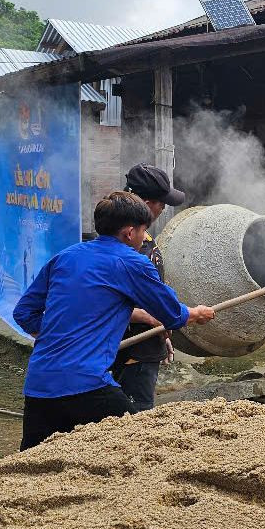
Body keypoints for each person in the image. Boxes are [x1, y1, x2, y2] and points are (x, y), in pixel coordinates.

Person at [13, 191, 214, 451]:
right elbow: (172, 315)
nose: (144, 238)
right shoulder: (132, 263)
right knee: (139, 446)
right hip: (87, 385)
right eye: (143, 231)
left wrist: (57, 335)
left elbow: (24, 313)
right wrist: (197, 313)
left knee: (31, 464)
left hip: (39, 385)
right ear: (129, 233)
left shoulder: (65, 257)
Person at [111, 163, 186, 411]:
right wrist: (152, 319)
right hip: (130, 351)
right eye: (160, 202)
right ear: (144, 204)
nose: (163, 208)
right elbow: (106, 302)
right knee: (132, 418)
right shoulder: (126, 248)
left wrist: (159, 333)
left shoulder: (144, 239)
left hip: (145, 345)